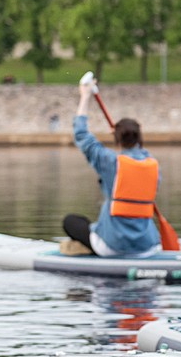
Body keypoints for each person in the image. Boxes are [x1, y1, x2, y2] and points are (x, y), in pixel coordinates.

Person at [65, 79, 162, 258]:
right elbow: (137, 155)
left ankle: (88, 250)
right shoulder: (153, 166)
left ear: (117, 139)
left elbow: (81, 134)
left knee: (71, 221)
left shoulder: (110, 162)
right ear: (140, 138)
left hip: (113, 247)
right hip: (147, 246)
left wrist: (85, 96)